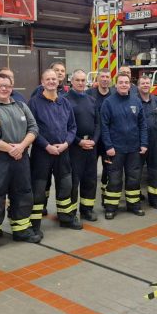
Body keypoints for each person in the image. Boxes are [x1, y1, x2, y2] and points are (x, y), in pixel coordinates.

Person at [0, 73, 40, 255]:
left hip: (21, 158)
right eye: (0, 85)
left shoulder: (21, 106)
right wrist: (10, 149)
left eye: (7, 85)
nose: (4, 88)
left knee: (23, 193)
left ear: (12, 87)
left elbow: (34, 128)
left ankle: (21, 230)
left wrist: (21, 147)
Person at [28, 69, 81, 233]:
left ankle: (66, 218)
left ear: (58, 82)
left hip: (63, 152)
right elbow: (32, 128)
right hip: (42, 153)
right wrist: (46, 146)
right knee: (39, 188)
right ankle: (35, 224)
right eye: (48, 79)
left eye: (54, 79)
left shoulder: (65, 103)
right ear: (42, 82)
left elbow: (72, 127)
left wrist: (66, 143)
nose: (51, 81)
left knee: (66, 185)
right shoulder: (34, 103)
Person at [100, 73, 148, 219]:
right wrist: (108, 146)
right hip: (115, 149)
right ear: (116, 85)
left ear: (130, 85)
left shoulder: (136, 101)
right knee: (114, 179)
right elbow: (104, 126)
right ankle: (111, 208)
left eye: (126, 82)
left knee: (134, 178)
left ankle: (134, 205)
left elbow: (142, 125)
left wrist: (144, 143)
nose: (123, 85)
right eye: (121, 82)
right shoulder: (108, 103)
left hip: (134, 148)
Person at [65, 69, 100, 221]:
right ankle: (72, 213)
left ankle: (87, 210)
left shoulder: (91, 100)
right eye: (77, 80)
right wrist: (79, 141)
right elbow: (65, 127)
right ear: (71, 82)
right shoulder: (65, 100)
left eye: (82, 80)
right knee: (74, 181)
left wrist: (94, 140)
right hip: (74, 148)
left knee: (90, 180)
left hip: (91, 147)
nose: (80, 83)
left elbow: (98, 123)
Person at [137, 75, 157, 209]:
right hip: (138, 142)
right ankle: (135, 198)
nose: (146, 85)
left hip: (154, 141)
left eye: (148, 83)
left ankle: (154, 198)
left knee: (155, 170)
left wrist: (154, 125)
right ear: (138, 85)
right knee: (136, 170)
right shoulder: (134, 100)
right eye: (143, 83)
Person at [86, 68, 113, 200]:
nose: (105, 79)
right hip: (93, 140)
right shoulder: (89, 94)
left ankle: (105, 196)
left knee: (108, 169)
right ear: (97, 79)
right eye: (102, 77)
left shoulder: (114, 95)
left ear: (111, 79)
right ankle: (89, 200)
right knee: (90, 170)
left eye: (107, 77)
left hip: (108, 140)